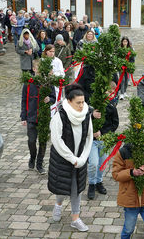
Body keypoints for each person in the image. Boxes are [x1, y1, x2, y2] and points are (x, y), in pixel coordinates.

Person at [48, 83, 93, 232]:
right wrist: (72, 158)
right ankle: (58, 205)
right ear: (69, 101)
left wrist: (82, 158)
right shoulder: (60, 115)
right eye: (78, 102)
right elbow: (57, 141)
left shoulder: (86, 114)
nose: (82, 105)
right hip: (62, 159)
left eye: (83, 101)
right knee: (61, 189)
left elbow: (89, 137)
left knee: (76, 188)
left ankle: (75, 219)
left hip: (79, 159)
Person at [112, 132, 144, 239]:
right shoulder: (123, 152)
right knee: (128, 229)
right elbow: (116, 174)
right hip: (130, 199)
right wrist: (131, 172)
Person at [20, 59, 56, 174]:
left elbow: (53, 97)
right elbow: (24, 100)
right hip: (31, 117)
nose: (40, 71)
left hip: (44, 117)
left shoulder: (48, 83)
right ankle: (32, 157)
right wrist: (24, 117)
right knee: (31, 141)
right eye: (38, 69)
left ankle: (39, 164)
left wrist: (49, 99)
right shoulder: (28, 83)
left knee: (43, 141)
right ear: (34, 69)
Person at [87, 81, 119, 200]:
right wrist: (91, 116)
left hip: (104, 140)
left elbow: (114, 124)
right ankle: (91, 184)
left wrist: (103, 132)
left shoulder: (111, 107)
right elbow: (84, 120)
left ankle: (99, 182)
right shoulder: (92, 106)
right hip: (92, 141)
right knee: (93, 163)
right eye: (108, 92)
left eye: (112, 93)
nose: (110, 95)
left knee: (102, 163)